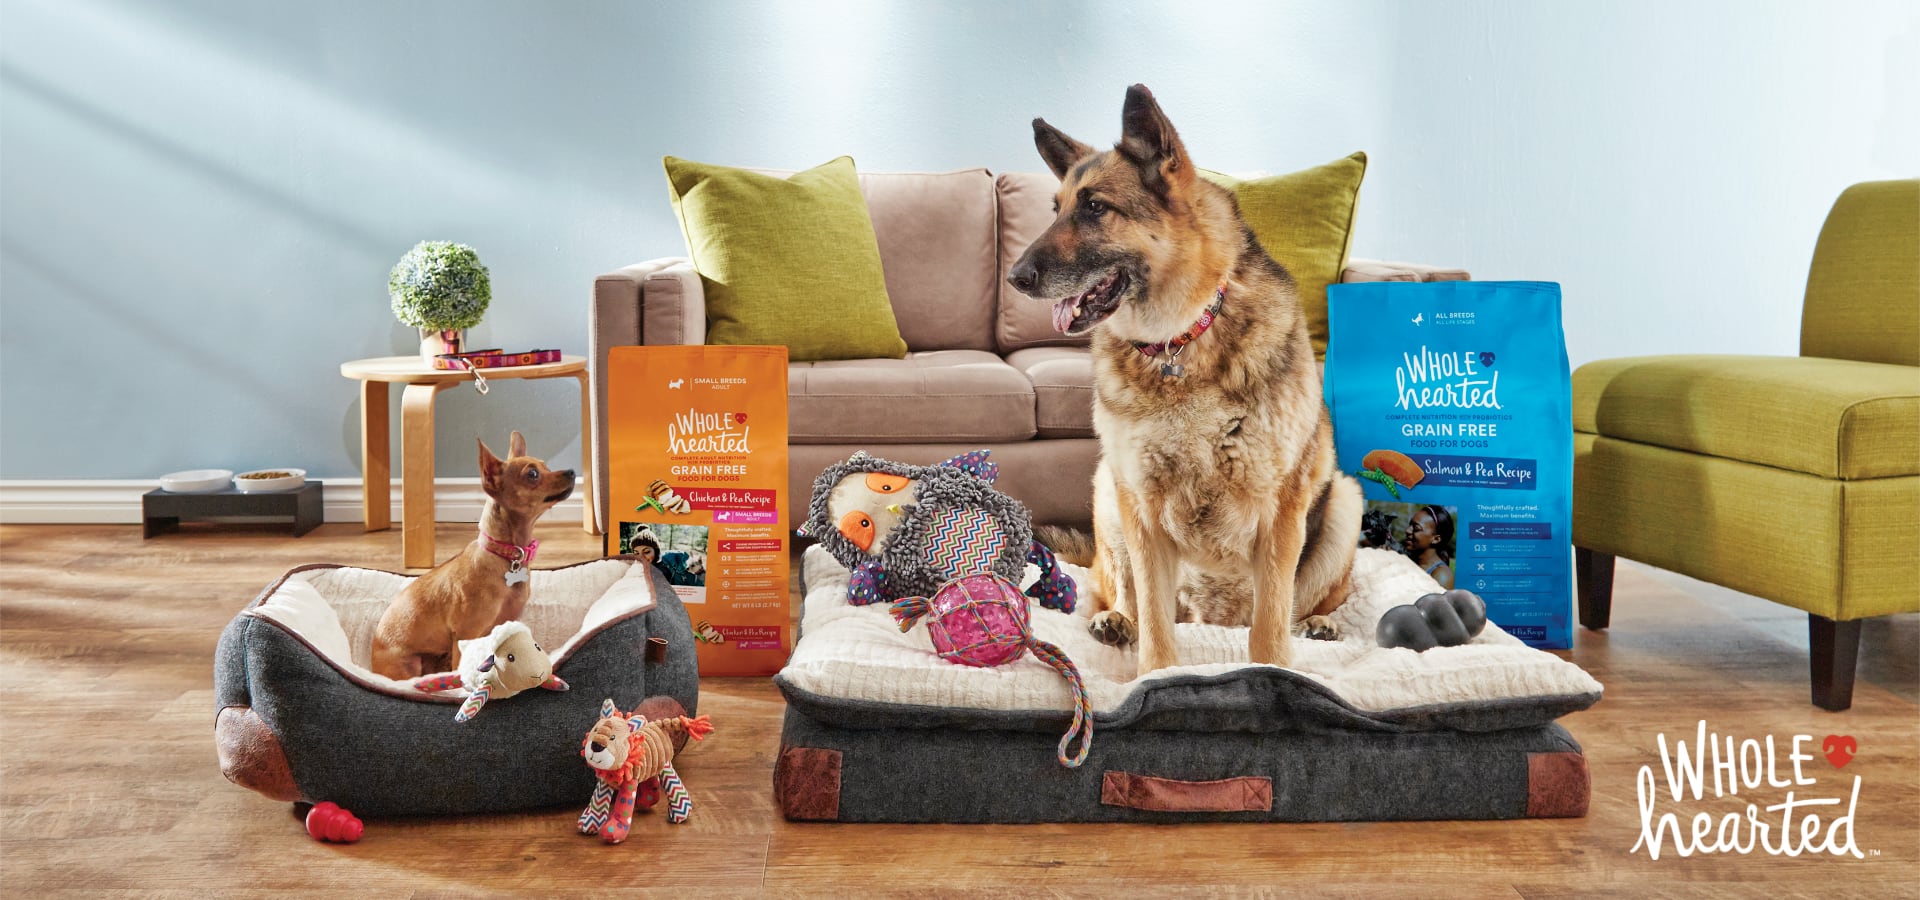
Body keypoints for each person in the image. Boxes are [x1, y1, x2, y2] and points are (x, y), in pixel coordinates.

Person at [1402, 505, 1455, 589]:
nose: (1407, 530)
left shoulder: (1441, 576)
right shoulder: (1407, 561)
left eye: (1416, 528)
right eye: (1410, 525)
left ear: (1436, 539)